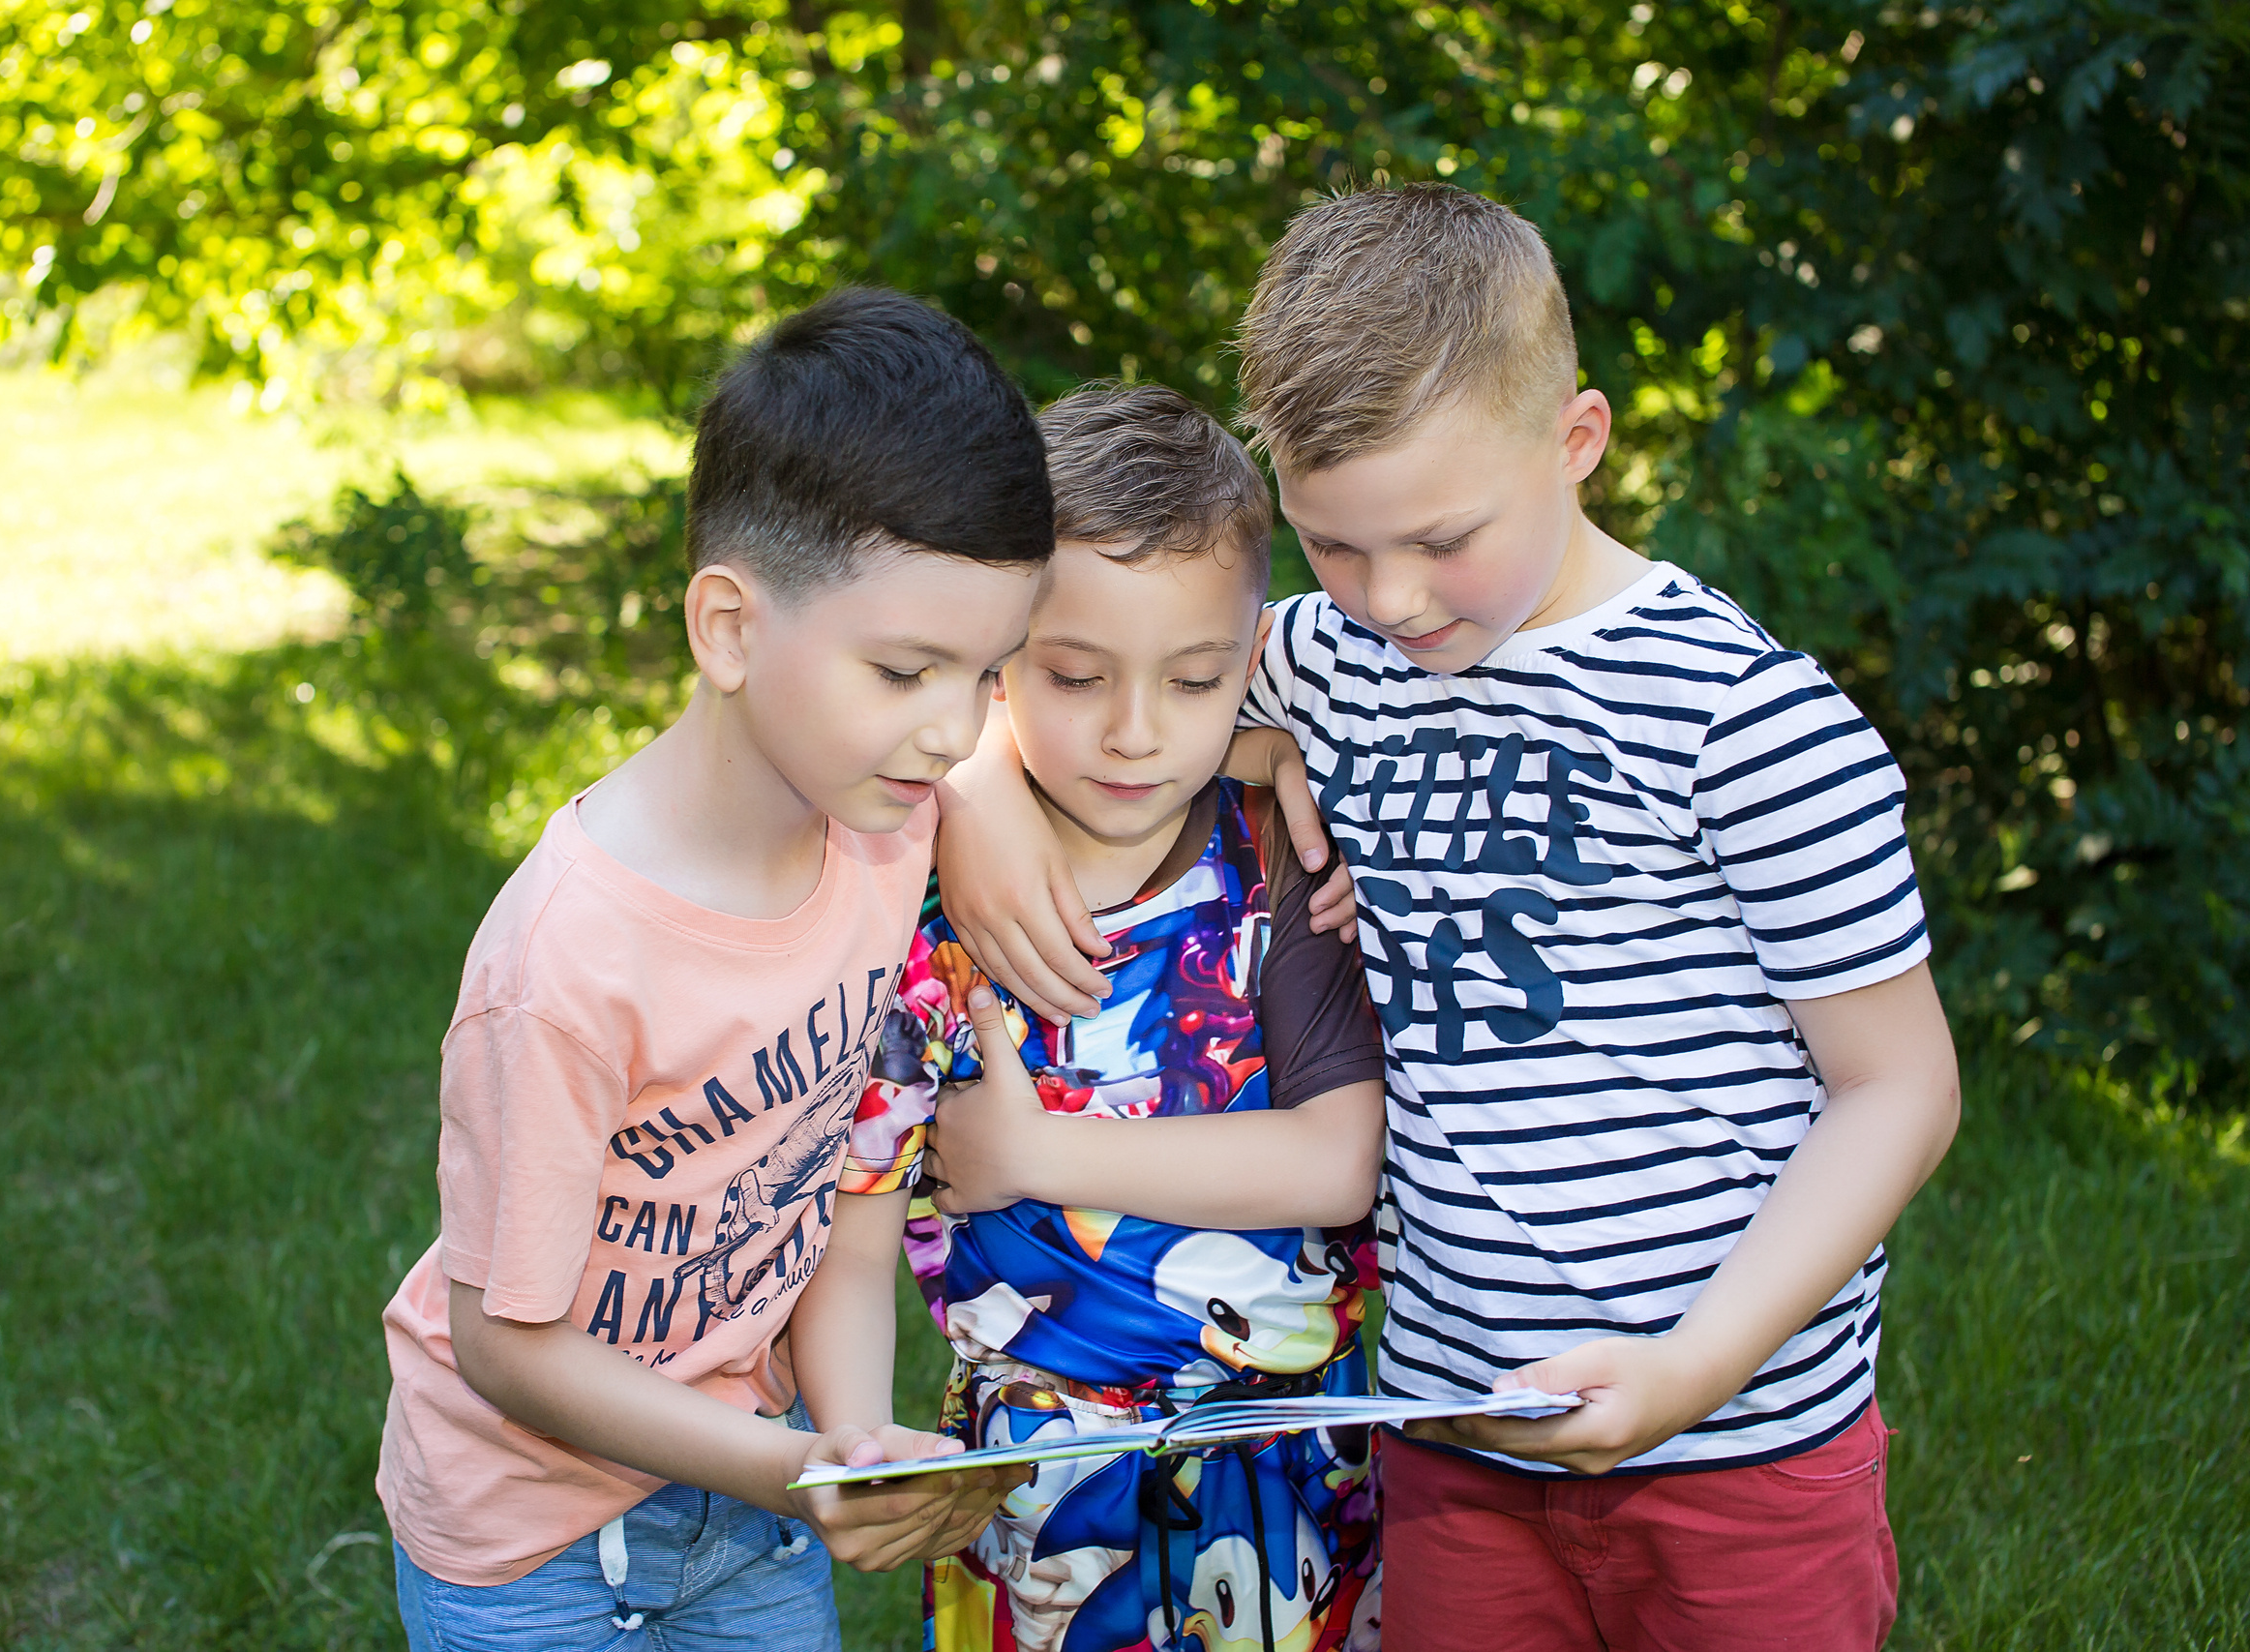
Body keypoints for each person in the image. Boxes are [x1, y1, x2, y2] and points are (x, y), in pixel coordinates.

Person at [934, 186, 1963, 1651]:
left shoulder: (1745, 721)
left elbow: (1901, 1087)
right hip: (1445, 1422)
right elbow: (1095, 688)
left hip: (1740, 1441)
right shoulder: (1328, 659)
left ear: (1577, 439)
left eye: (1440, 538)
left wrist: (1696, 1368)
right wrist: (973, 787)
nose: (1394, 598)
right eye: (1335, 548)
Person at [375, 287, 1050, 1650]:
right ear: (730, 629)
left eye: (987, 672)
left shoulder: (882, 823)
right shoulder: (564, 965)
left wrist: (849, 1445)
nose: (954, 728)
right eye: (909, 670)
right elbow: (508, 1346)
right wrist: (797, 1473)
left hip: (752, 1507)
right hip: (531, 1549)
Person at [840, 382, 1393, 1652]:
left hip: (1288, 1460)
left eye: (1194, 681)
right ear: (997, 666)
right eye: (1075, 677)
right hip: (1036, 1479)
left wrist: (1040, 1155)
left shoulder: (1278, 855)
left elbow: (1336, 1158)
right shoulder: (913, 887)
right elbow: (855, 1214)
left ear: (1250, 668)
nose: (1135, 734)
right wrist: (862, 1432)